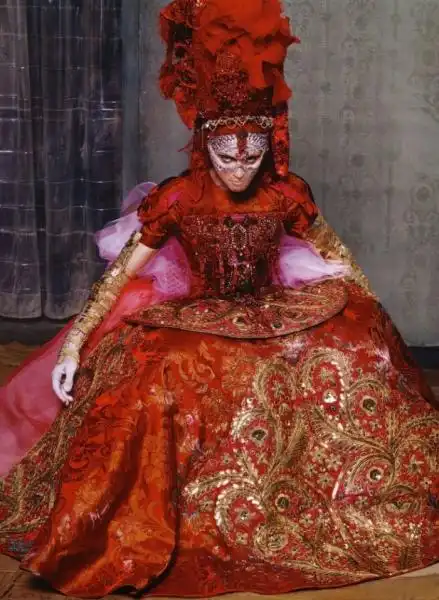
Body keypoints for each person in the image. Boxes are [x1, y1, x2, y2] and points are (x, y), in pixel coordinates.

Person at [0, 0, 438, 597]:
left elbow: (341, 258)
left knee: (355, 346)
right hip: (196, 311)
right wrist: (75, 342)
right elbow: (120, 275)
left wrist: (377, 317)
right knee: (157, 376)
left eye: (252, 155)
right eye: (226, 156)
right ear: (204, 142)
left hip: (272, 306)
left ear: (267, 144)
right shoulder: (178, 199)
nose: (239, 169)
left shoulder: (284, 194)